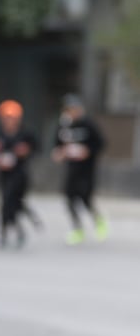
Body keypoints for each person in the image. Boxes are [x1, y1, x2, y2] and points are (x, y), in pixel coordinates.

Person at [51, 93, 107, 244]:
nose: (71, 112)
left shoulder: (88, 124)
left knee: (85, 198)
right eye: (68, 109)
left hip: (87, 169)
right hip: (71, 168)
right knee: (69, 198)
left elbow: (101, 143)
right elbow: (57, 147)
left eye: (74, 108)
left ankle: (98, 221)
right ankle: (77, 228)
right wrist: (60, 153)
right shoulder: (63, 126)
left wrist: (87, 151)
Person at [0, 99, 39, 249]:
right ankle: (7, 232)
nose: (9, 121)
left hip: (20, 175)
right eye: (6, 118)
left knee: (13, 203)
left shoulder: (25, 134)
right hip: (4, 174)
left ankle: (17, 229)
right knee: (6, 204)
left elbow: (36, 148)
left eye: (12, 118)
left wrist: (26, 151)